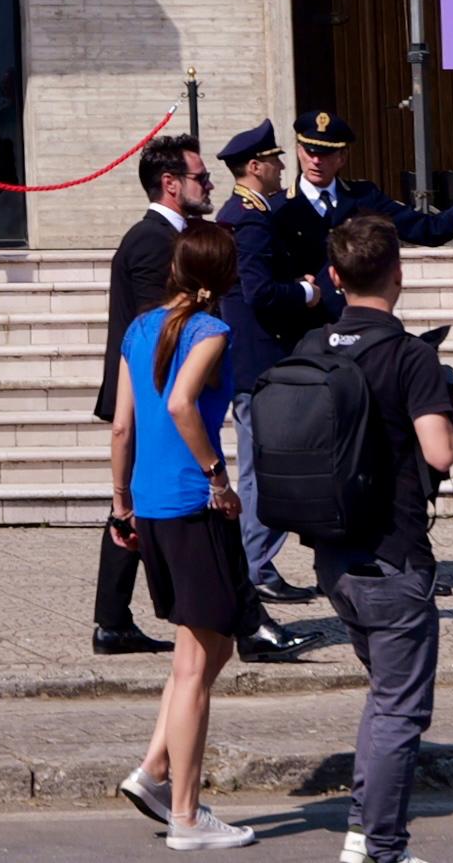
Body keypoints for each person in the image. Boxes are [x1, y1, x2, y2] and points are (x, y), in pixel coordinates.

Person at [286, 215, 453, 863]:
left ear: (335, 278)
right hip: (393, 554)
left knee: (383, 700)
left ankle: (362, 834)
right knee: (399, 711)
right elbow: (439, 453)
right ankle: (382, 848)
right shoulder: (410, 355)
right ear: (397, 272)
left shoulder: (312, 346)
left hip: (332, 555)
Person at [106, 218, 254, 851]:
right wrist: (218, 476)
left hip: (151, 504)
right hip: (194, 507)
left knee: (211, 646)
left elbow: (120, 427)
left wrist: (120, 506)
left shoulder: (140, 328)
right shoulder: (211, 330)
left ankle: (156, 769)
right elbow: (180, 405)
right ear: (223, 276)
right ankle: (187, 816)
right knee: (196, 661)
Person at [206, 123, 325, 660]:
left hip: (255, 361)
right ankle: (254, 566)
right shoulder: (248, 223)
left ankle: (258, 564)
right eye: (275, 161)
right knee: (260, 469)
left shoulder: (247, 215)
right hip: (257, 362)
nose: (281, 168)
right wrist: (304, 291)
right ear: (255, 167)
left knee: (261, 465)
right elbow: (256, 294)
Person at [88, 133, 207, 657]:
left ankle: (113, 620)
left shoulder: (167, 236)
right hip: (151, 398)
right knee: (137, 506)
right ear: (171, 184)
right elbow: (154, 331)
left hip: (152, 397)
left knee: (135, 505)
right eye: (201, 178)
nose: (209, 185)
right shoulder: (153, 241)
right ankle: (131, 617)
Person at [291, 109, 453, 250]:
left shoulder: (364, 197)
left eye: (325, 154)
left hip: (359, 317)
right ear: (298, 150)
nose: (316, 161)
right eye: (310, 153)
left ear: (341, 157)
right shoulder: (280, 206)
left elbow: (430, 230)